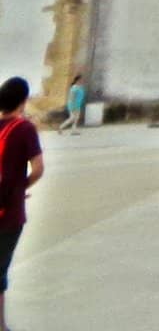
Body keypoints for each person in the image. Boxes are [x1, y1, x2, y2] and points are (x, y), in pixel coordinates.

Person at [0, 76, 43, 331]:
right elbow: (38, 169)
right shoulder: (24, 128)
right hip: (9, 214)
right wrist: (20, 188)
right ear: (24, 101)